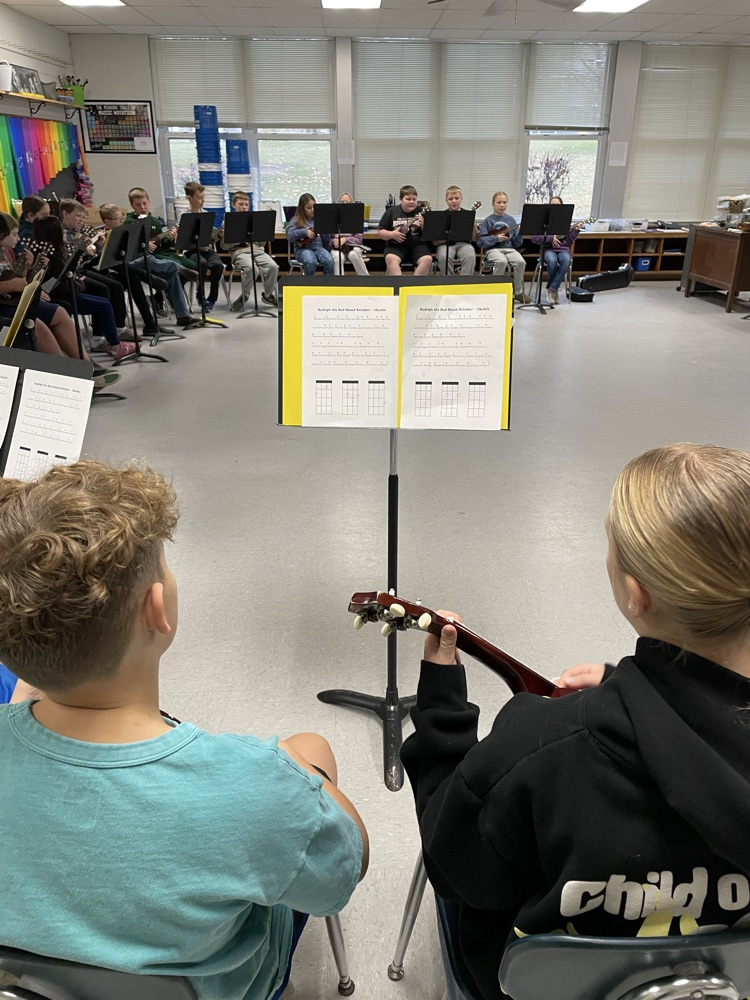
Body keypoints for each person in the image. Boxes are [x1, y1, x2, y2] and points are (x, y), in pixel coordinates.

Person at [0, 459, 368, 1000]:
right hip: (216, 986)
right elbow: (345, 871)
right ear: (157, 609)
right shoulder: (253, 784)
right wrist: (293, 777)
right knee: (311, 746)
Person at [402, 442, 750, 1000]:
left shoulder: (542, 746)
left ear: (637, 594)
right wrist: (631, 688)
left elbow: (453, 861)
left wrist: (442, 708)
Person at [0, 213, 122, 388]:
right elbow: (10, 285)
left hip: (10, 301)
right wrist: (13, 284)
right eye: (13, 234)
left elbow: (12, 281)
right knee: (36, 326)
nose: (18, 238)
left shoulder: (6, 252)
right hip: (3, 308)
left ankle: (86, 367)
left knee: (59, 312)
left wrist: (25, 269)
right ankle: (68, 379)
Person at [33, 215, 135, 361]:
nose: (63, 231)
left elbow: (65, 275)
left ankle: (104, 340)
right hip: (62, 295)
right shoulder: (50, 254)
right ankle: (115, 347)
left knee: (104, 296)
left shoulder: (57, 250)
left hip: (69, 290)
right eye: (60, 229)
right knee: (104, 305)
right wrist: (76, 281)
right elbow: (55, 283)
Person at [101, 203, 196, 328]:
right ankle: (178, 268)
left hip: (137, 263)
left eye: (122, 217)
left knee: (171, 275)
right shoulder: (104, 236)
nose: (122, 221)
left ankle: (183, 316)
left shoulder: (124, 231)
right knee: (149, 260)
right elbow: (109, 261)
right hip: (121, 270)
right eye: (119, 219)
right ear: (107, 221)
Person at [59, 199, 129, 332]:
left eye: (83, 217)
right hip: (76, 273)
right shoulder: (63, 234)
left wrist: (98, 245)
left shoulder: (78, 232)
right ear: (65, 214)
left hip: (86, 268)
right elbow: (70, 258)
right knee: (106, 288)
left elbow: (95, 255)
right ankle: (102, 333)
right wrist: (85, 250)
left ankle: (119, 328)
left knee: (118, 284)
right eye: (78, 216)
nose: (81, 220)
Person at [222, 190, 279, 310]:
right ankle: (245, 295)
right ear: (233, 205)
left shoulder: (253, 219)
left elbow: (261, 243)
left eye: (246, 205)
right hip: (240, 252)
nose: (244, 207)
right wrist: (238, 238)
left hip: (257, 250)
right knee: (252, 269)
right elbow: (224, 246)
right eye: (240, 204)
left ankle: (268, 295)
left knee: (273, 266)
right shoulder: (228, 221)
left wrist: (263, 233)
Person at [124, 187, 199, 274]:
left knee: (191, 264)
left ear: (149, 202)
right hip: (147, 257)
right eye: (138, 205)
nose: (143, 207)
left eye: (145, 203)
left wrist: (170, 239)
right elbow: (127, 245)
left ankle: (178, 285)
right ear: (132, 206)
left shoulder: (155, 221)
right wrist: (143, 245)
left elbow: (162, 245)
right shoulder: (130, 222)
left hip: (161, 253)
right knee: (176, 265)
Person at [477, 192, 530, 304]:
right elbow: (480, 241)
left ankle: (517, 292)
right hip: (493, 250)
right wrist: (496, 239)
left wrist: (520, 233)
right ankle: (496, 291)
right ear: (493, 204)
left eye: (504, 202)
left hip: (510, 249)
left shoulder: (511, 220)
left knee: (521, 262)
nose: (502, 205)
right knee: (501, 261)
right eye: (499, 202)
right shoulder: (488, 221)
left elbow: (517, 243)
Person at [530, 197, 585, 305]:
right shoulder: (543, 221)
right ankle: (553, 290)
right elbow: (534, 238)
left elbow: (568, 242)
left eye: (557, 204)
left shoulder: (565, 221)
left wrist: (575, 231)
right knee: (552, 261)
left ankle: (552, 288)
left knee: (566, 260)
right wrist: (550, 238)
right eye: (552, 204)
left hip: (563, 249)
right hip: (548, 249)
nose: (555, 206)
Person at [182, 181, 225, 312]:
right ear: (189, 198)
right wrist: (198, 247)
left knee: (218, 265)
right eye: (199, 198)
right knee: (202, 263)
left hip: (207, 250)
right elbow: (182, 240)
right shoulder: (184, 216)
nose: (202, 201)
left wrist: (219, 235)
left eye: (203, 197)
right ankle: (200, 295)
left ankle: (212, 298)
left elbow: (212, 238)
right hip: (191, 251)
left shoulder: (206, 214)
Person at [378, 185, 433, 276]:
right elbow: (381, 232)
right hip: (396, 246)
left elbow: (431, 234)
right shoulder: (391, 211)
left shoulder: (422, 212)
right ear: (401, 199)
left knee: (427, 259)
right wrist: (392, 234)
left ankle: (414, 286)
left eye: (414, 199)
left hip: (417, 245)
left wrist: (423, 224)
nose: (411, 202)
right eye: (408, 199)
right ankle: (399, 286)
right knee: (391, 258)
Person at [433, 186, 477, 276]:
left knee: (470, 256)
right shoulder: (441, 216)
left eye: (456, 198)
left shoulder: (467, 214)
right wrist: (449, 236)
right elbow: (435, 242)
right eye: (450, 199)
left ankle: (464, 283)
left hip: (464, 244)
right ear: (446, 200)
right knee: (443, 257)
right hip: (445, 245)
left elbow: (475, 238)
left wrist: (472, 221)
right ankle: (449, 283)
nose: (454, 201)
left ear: (461, 199)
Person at [287, 194, 334, 276]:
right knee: (310, 261)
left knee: (329, 260)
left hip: (318, 248)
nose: (312, 210)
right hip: (302, 250)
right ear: (302, 208)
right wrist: (304, 232)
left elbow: (326, 240)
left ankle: (328, 284)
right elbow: (290, 236)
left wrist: (326, 230)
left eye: (314, 207)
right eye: (309, 208)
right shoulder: (296, 220)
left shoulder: (318, 219)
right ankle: (308, 285)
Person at [325, 193, 369, 276]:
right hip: (337, 248)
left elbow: (358, 240)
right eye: (342, 202)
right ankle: (339, 284)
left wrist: (345, 239)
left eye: (347, 202)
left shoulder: (356, 218)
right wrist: (334, 241)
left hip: (353, 247)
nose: (344, 204)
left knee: (353, 254)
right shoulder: (332, 219)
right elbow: (327, 240)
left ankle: (365, 280)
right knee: (337, 257)